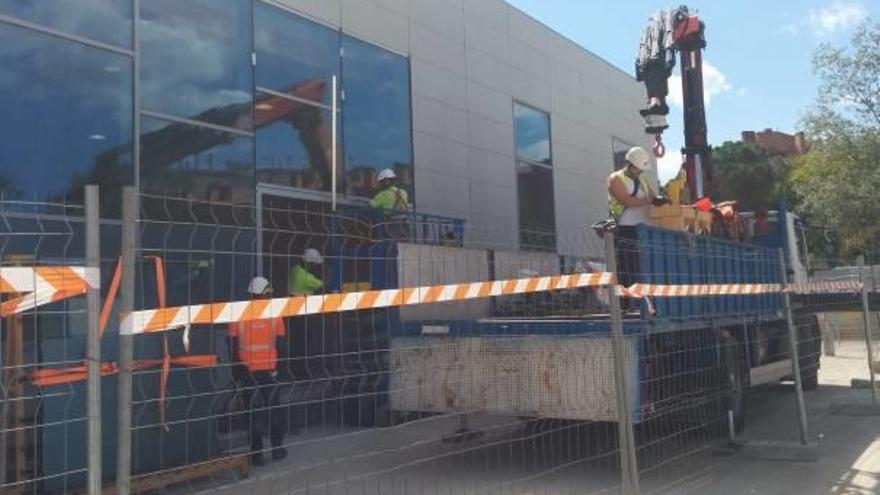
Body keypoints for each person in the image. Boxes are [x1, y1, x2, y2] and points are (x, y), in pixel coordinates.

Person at [228, 276, 288, 465]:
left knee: (253, 414)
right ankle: (277, 449)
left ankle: (257, 455)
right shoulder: (274, 312)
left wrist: (236, 370)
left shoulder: (239, 313)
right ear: (266, 292)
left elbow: (232, 344)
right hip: (270, 371)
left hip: (248, 372)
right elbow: (281, 342)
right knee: (274, 410)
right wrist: (280, 366)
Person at [607, 146, 667, 226]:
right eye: (638, 168)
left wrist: (660, 200)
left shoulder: (641, 179)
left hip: (644, 225)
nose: (640, 171)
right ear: (629, 164)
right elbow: (627, 201)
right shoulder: (615, 179)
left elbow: (652, 195)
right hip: (626, 226)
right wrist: (649, 200)